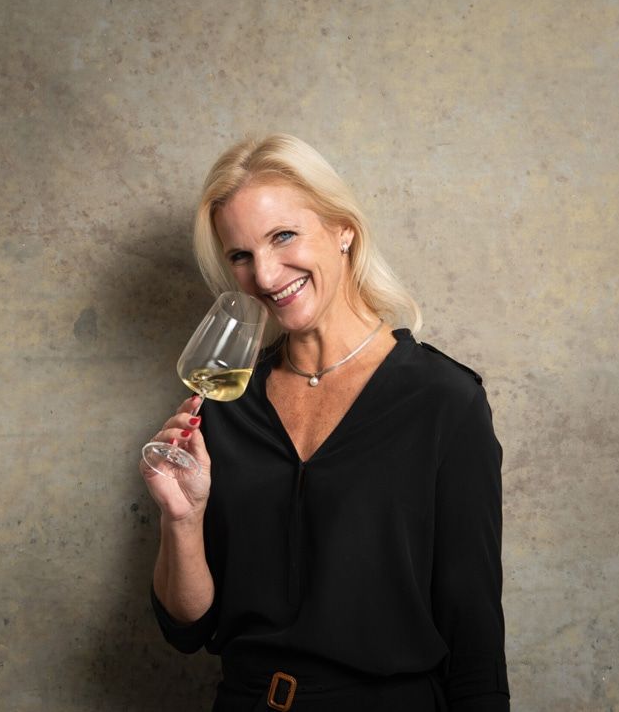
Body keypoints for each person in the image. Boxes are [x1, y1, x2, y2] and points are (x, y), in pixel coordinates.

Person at [140, 134, 509, 711]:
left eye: (283, 236)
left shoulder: (443, 401)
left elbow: (475, 639)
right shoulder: (226, 405)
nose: (265, 276)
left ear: (344, 230)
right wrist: (181, 519)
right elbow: (187, 629)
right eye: (240, 256)